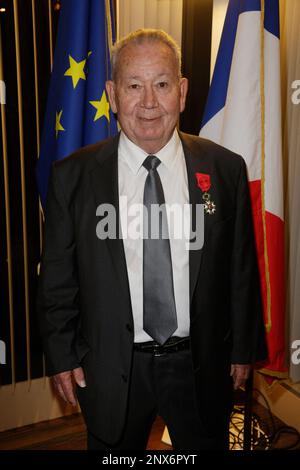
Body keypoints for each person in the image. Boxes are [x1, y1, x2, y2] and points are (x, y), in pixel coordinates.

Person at [37, 29, 267, 451]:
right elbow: (58, 278)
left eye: (161, 84)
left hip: (199, 363)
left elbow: (241, 268)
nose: (148, 103)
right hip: (110, 364)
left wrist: (243, 348)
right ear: (111, 93)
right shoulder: (72, 177)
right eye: (133, 86)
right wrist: (62, 356)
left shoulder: (225, 169)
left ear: (181, 92)